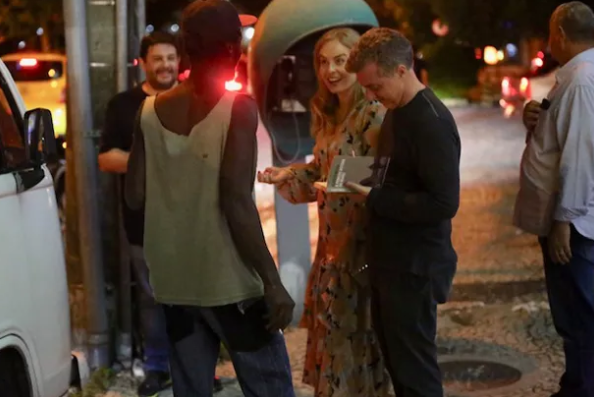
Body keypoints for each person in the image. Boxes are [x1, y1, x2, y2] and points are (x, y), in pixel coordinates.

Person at [125, 1, 296, 396]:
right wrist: (272, 282)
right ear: (233, 50)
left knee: (191, 388)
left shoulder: (147, 112)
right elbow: (236, 201)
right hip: (230, 282)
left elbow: (134, 196)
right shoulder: (237, 109)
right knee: (269, 386)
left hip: (173, 280)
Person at [258, 28, 391, 396]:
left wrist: (334, 176)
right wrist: (290, 174)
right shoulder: (327, 112)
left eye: (340, 60)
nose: (330, 70)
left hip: (361, 250)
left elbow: (384, 172)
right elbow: (319, 171)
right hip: (330, 249)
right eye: (323, 61)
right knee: (333, 349)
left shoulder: (373, 112)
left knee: (358, 347)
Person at [345, 28, 460, 397]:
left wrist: (375, 196)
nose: (370, 96)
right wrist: (344, 175)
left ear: (400, 70)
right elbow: (394, 171)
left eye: (374, 86)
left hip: (415, 268)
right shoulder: (397, 109)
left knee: (416, 374)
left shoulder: (431, 121)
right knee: (399, 366)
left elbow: (444, 203)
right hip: (392, 263)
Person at [98, 31, 210, 397]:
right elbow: (106, 158)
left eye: (171, 58)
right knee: (151, 297)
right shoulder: (123, 104)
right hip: (142, 221)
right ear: (143, 64)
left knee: (195, 294)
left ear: (180, 63)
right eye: (157, 59)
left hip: (193, 220)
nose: (165, 65)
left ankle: (197, 368)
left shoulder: (195, 100)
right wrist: (152, 162)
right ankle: (157, 367)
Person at [515, 3, 594, 397]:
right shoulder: (578, 75)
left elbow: (579, 155)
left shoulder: (581, 80)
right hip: (574, 217)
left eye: (550, 32)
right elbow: (563, 133)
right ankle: (576, 382)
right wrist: (535, 115)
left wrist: (564, 220)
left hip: (576, 223)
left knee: (579, 313)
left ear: (560, 34)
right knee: (575, 312)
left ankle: (582, 387)